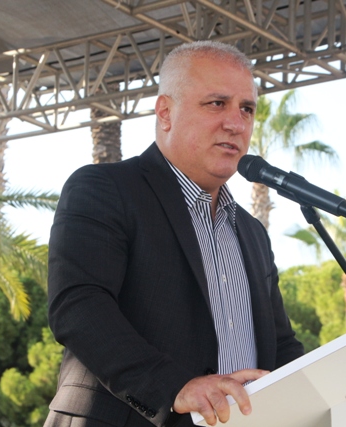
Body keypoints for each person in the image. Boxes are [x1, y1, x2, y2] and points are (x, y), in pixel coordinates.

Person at [45, 40, 304, 427]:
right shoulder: (106, 189)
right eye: (217, 103)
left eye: (246, 109)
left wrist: (330, 391)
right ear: (165, 112)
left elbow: (279, 345)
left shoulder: (252, 232)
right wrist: (173, 388)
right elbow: (78, 305)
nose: (236, 123)